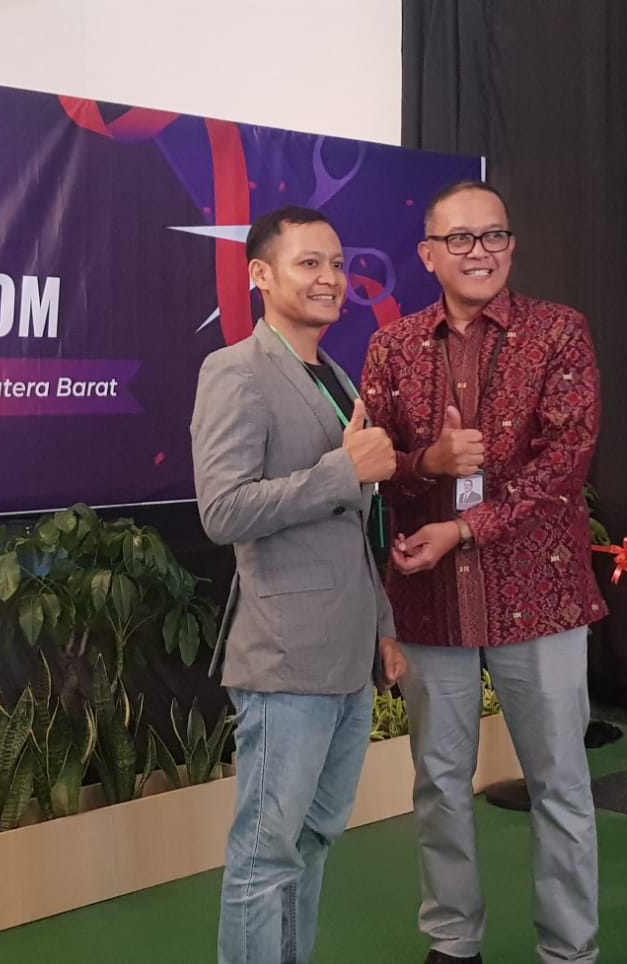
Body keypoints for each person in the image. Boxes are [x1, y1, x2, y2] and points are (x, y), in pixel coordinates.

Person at [361, 181, 607, 964]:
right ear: (428, 255)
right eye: (460, 239)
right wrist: (426, 463)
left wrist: (466, 527)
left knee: (559, 782)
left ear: (512, 246)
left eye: (493, 235)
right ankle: (452, 941)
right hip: (430, 597)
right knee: (439, 781)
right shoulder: (393, 347)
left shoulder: (559, 333)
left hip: (539, 593)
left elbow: (563, 467)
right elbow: (372, 466)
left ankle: (569, 950)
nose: (479, 252)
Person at [191, 204, 408, 963]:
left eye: (337, 264)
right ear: (260, 274)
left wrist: (383, 625)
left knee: (312, 838)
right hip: (284, 660)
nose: (330, 278)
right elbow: (223, 510)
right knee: (266, 854)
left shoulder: (335, 375)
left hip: (347, 656)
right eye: (309, 262)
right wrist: (342, 470)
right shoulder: (235, 371)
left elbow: (354, 524)